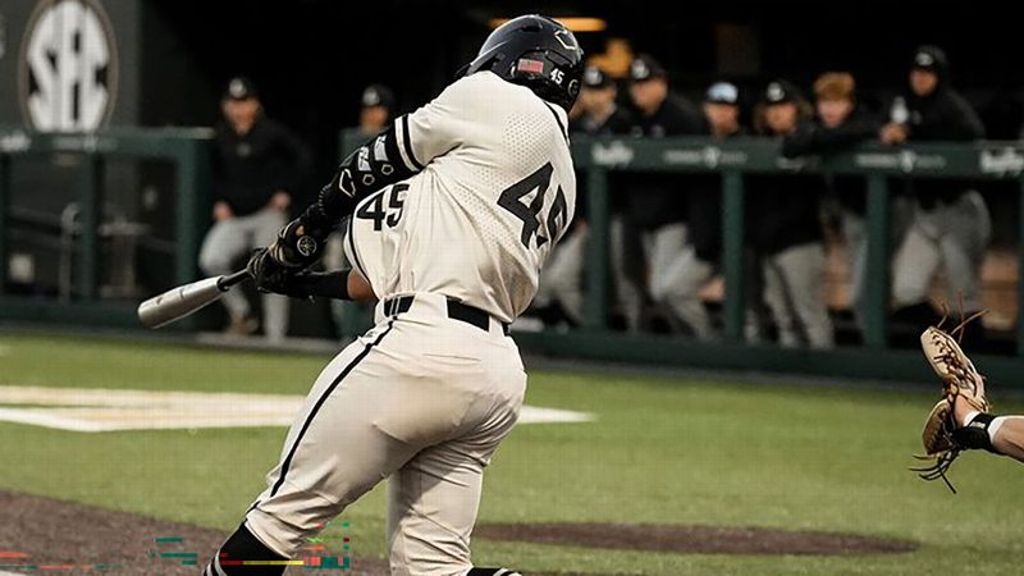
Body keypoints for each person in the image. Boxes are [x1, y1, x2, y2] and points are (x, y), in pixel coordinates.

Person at [202, 14, 582, 576]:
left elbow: (376, 158)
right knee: (435, 570)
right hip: (494, 375)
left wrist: (306, 230)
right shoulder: (559, 175)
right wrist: (298, 282)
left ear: (505, 59)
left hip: (418, 350)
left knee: (271, 528)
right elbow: (381, 282)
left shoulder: (490, 96)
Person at [881, 46, 989, 344]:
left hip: (959, 209)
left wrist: (917, 131)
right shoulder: (904, 104)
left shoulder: (950, 105)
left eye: (928, 73)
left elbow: (973, 133)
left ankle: (974, 368)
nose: (921, 79)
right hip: (926, 213)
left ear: (939, 76)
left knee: (964, 298)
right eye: (917, 72)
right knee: (905, 289)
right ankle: (943, 343)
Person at [198, 77, 311, 341]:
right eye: (233, 103)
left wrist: (287, 192)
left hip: (267, 214)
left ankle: (275, 337)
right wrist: (219, 202)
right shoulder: (221, 136)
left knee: (272, 268)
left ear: (255, 104)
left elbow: (303, 159)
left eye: (244, 102)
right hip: (235, 216)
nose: (239, 109)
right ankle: (243, 315)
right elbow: (213, 176)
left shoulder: (271, 133)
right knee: (211, 258)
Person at [782, 72, 882, 336]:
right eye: (825, 102)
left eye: (836, 102)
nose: (829, 109)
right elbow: (790, 146)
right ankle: (869, 347)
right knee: (863, 291)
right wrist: (816, 136)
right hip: (853, 215)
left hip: (888, 214)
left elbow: (862, 130)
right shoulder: (815, 123)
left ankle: (880, 352)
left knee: (868, 291)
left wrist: (817, 139)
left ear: (849, 103)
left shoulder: (864, 119)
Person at [533, 65, 631, 327]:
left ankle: (631, 335)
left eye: (599, 90)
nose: (593, 97)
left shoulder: (625, 123)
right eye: (589, 90)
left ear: (612, 92)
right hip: (579, 220)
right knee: (556, 280)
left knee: (624, 282)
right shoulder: (575, 126)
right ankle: (593, 330)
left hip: (618, 217)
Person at [653, 81, 746, 341]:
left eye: (727, 107)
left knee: (752, 311)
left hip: (745, 245)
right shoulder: (697, 141)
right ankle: (705, 343)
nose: (721, 113)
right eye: (716, 106)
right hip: (705, 242)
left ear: (737, 111)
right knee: (668, 290)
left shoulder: (747, 142)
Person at [620, 54, 704, 332]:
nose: (640, 90)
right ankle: (685, 344)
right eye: (636, 84)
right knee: (660, 292)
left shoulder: (682, 117)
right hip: (647, 219)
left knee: (664, 289)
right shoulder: (634, 119)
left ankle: (706, 344)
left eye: (646, 83)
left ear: (662, 82)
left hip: (676, 220)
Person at [749, 80, 834, 349]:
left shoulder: (811, 138)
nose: (776, 113)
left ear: (796, 109)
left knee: (809, 315)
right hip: (769, 245)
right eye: (771, 107)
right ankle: (791, 385)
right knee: (783, 318)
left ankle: (830, 378)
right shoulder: (758, 145)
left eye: (783, 106)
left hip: (801, 242)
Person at [324, 84, 398, 338]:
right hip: (350, 229)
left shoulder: (398, 144)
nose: (371, 115)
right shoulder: (352, 142)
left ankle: (382, 329)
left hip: (387, 227)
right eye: (368, 109)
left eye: (377, 109)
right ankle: (343, 329)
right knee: (334, 257)